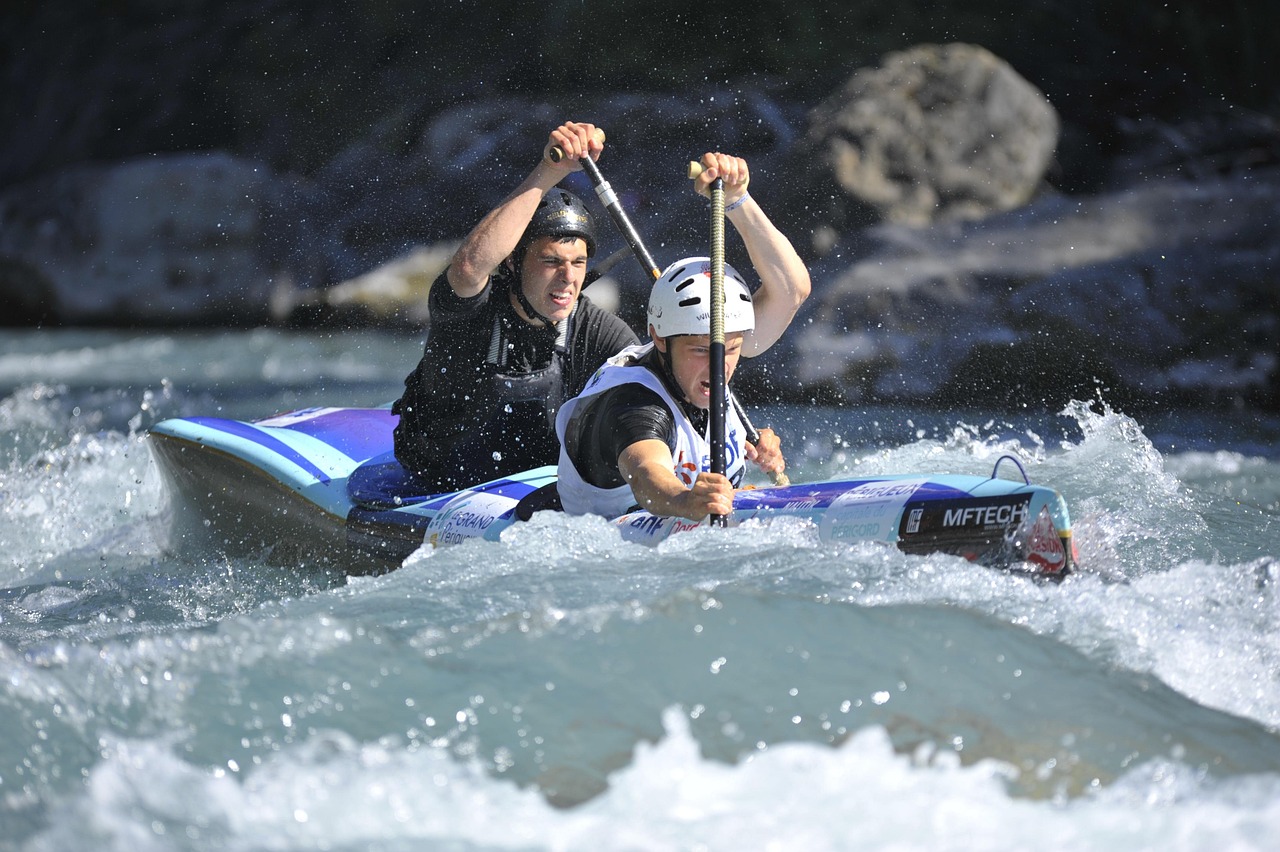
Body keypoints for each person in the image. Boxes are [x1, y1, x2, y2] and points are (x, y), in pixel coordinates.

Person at [556, 154, 812, 521]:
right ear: (659, 338)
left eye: (733, 349)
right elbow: (647, 473)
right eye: (698, 350)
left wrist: (738, 199)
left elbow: (792, 289)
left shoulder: (704, 361)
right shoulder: (633, 404)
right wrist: (684, 501)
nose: (718, 365)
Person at [392, 122, 638, 490]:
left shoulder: (598, 332)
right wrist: (550, 171)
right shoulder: (471, 313)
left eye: (578, 263)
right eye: (551, 261)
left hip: (536, 496)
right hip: (434, 484)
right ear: (512, 262)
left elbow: (655, 396)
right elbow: (469, 267)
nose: (567, 278)